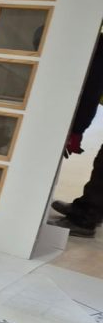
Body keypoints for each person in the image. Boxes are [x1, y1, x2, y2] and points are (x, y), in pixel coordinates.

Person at [50, 32, 103, 239]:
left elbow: (91, 90)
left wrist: (76, 130)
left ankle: (85, 217)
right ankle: (90, 209)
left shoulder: (95, 45)